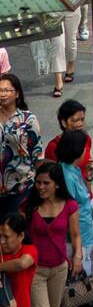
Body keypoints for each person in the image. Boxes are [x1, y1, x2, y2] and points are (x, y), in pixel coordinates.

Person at [24, 163, 82, 307]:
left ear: (57, 184)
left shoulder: (70, 205)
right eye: (38, 182)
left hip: (59, 269)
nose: (40, 187)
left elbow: (75, 235)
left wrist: (77, 256)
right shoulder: (29, 207)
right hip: (35, 271)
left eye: (46, 183)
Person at [54, 130, 93, 307]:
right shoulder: (66, 174)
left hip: (83, 233)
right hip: (76, 235)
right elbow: (72, 207)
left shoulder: (70, 170)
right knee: (76, 279)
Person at [0, 75, 42, 222]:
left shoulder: (28, 119)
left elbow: (37, 154)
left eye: (7, 90)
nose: (2, 94)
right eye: (0, 90)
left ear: (17, 93)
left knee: (16, 232)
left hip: (21, 186)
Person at [0, 213, 37, 307]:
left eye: (6, 237)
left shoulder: (29, 250)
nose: (2, 241)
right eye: (0, 236)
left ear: (21, 236)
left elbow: (21, 264)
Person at [44, 101, 93, 192]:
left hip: (85, 196)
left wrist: (89, 177)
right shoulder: (53, 146)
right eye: (75, 120)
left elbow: (86, 172)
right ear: (64, 122)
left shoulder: (86, 139)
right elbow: (48, 180)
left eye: (82, 119)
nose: (80, 124)